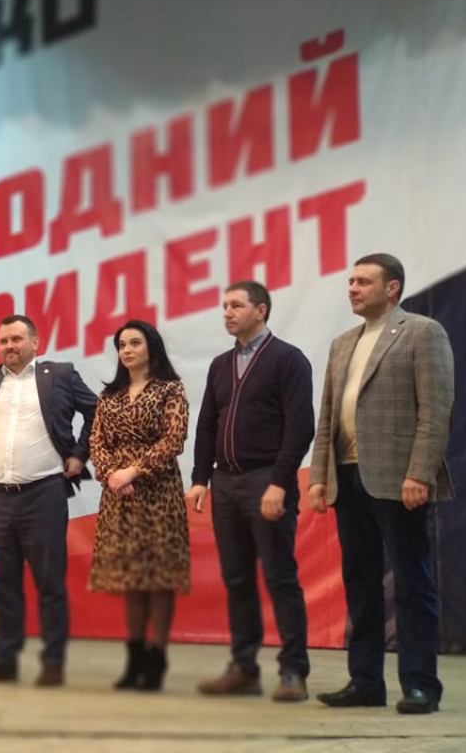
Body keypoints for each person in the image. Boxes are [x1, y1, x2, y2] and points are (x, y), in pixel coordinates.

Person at [309, 253, 454, 715]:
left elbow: (435, 409)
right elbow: (328, 416)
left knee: (411, 583)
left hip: (398, 477)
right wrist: (319, 476)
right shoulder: (342, 344)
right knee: (360, 583)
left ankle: (421, 685)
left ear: (392, 288)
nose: (352, 288)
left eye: (363, 281)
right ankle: (365, 682)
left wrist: (419, 472)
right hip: (347, 475)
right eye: (350, 281)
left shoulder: (422, 332)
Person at [186, 281, 314, 702]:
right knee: (237, 578)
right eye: (224, 305)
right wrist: (200, 478)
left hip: (266, 479)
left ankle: (293, 671)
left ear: (261, 310)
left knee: (279, 576)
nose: (227, 312)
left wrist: (280, 482)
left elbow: (301, 427)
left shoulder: (288, 359)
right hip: (225, 483)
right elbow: (207, 423)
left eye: (236, 305)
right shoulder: (221, 364)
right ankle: (244, 668)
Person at [0, 314, 97, 687]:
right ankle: (5, 659)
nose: (9, 346)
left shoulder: (60, 374)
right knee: (3, 582)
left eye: (17, 339)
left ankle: (53, 662)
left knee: (49, 582)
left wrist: (79, 454)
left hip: (44, 495)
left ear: (35, 342)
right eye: (3, 340)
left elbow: (96, 411)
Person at [88, 320, 189, 692]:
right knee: (130, 578)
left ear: (151, 348)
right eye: (122, 345)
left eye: (135, 343)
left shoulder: (170, 389)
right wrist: (112, 475)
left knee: (159, 578)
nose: (127, 350)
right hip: (119, 495)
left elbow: (174, 439)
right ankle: (134, 659)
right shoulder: (109, 395)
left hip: (158, 492)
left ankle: (157, 657)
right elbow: (96, 441)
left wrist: (133, 471)